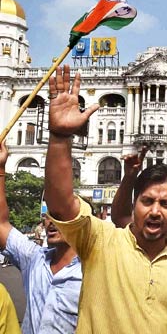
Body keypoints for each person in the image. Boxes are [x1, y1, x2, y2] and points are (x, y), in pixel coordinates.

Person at [43, 65, 167, 333]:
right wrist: (60, 138)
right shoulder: (102, 241)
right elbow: (61, 206)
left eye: (166, 204)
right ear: (134, 202)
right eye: (147, 201)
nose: (155, 211)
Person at [0, 140, 83, 334]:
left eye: (61, 216)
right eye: (49, 215)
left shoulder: (94, 271)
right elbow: (2, 224)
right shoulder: (34, 258)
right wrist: (1, 169)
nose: (52, 221)